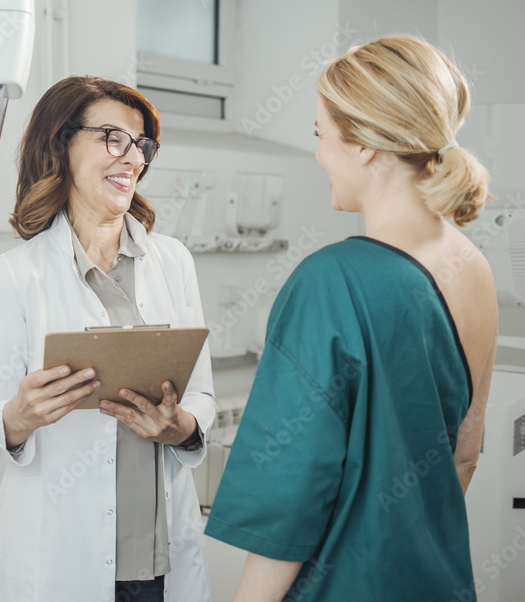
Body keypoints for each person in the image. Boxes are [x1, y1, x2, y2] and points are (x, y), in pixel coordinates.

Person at [205, 35, 498, 602]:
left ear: (364, 143)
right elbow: (465, 453)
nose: (319, 154)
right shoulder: (473, 266)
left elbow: (287, 497)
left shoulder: (330, 280)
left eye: (320, 134)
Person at [0, 76, 216, 602]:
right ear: (61, 143)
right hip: (62, 557)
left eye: (141, 144)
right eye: (112, 138)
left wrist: (179, 427)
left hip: (156, 560)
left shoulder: (172, 262)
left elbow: (202, 397)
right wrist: (20, 416)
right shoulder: (18, 273)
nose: (133, 158)